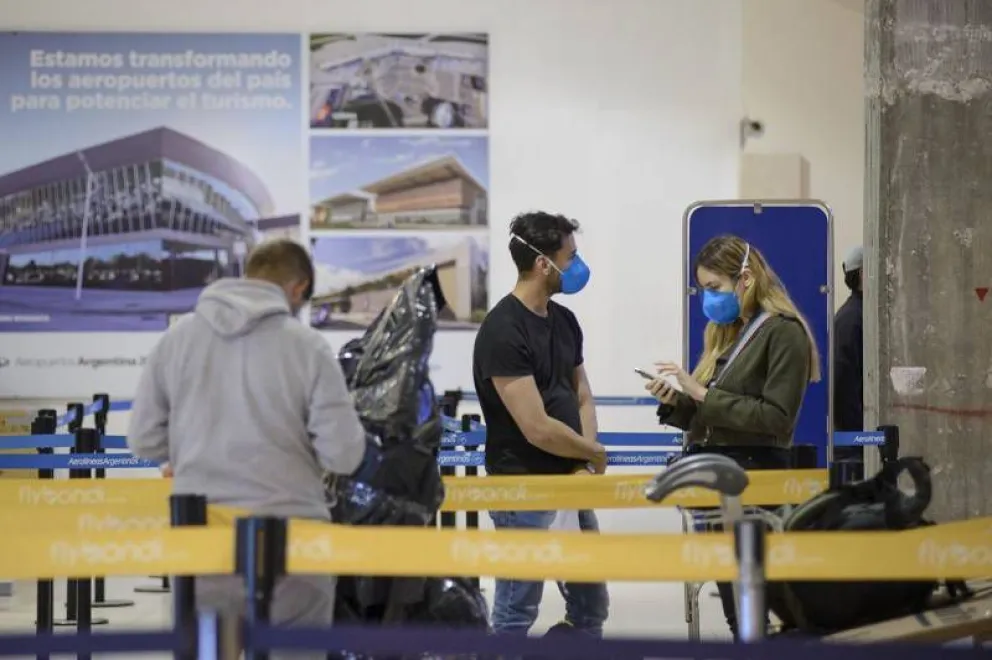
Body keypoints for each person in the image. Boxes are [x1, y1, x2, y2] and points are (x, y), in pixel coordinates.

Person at [127, 238, 367, 660]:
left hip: (203, 541)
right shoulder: (307, 346)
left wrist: (187, 451)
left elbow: (143, 440)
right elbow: (344, 455)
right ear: (298, 288)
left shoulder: (176, 339)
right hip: (295, 544)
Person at [646, 234, 819, 640]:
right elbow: (714, 414)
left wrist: (702, 392)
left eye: (714, 288)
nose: (709, 299)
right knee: (735, 604)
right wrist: (677, 402)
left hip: (756, 479)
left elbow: (776, 417)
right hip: (722, 481)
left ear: (745, 279)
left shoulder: (783, 333)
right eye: (703, 290)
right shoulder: (728, 334)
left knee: (755, 603)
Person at [472, 211, 610, 637]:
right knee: (517, 608)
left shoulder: (564, 320)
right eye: (570, 256)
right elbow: (535, 427)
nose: (578, 265)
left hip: (572, 479)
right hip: (523, 485)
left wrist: (583, 463)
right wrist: (592, 452)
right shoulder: (502, 330)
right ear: (542, 264)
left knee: (590, 606)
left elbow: (581, 393)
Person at [834, 245, 864, 432]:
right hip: (854, 448)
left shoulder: (859, 315)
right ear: (863, 274)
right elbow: (842, 384)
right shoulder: (852, 319)